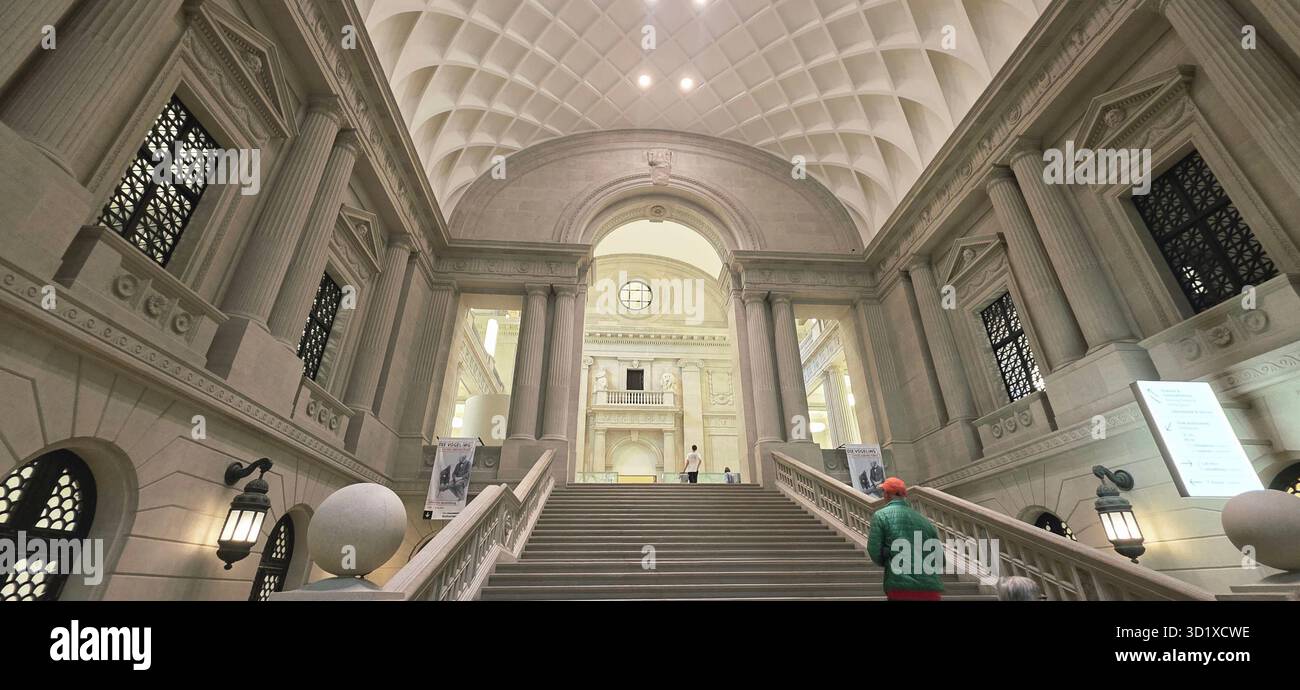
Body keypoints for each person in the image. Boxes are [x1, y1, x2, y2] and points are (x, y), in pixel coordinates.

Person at [866, 477, 945, 601]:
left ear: (887, 494)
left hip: (901, 587)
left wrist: (889, 555)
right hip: (930, 589)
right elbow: (940, 559)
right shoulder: (924, 521)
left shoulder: (881, 515)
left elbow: (874, 551)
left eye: (884, 492)